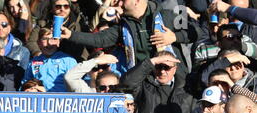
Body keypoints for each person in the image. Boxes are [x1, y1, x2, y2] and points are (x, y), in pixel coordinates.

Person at [59, 0, 200, 73]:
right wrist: (71, 34)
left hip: (170, 77)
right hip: (140, 79)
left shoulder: (167, 15)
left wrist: (174, 37)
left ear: (136, 1)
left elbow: (196, 32)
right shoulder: (123, 25)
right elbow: (100, 39)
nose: (119, 4)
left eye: (123, 0)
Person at [120, 50, 197, 113]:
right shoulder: (144, 85)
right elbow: (126, 83)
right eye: (158, 66)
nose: (162, 71)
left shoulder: (187, 88)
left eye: (167, 67)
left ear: (175, 69)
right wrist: (151, 62)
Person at [22, 27, 77, 92]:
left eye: (53, 39)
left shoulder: (68, 61)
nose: (49, 43)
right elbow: (25, 83)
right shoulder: (33, 62)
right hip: (40, 99)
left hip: (61, 100)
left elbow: (77, 86)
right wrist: (30, 89)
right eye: (45, 39)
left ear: (58, 42)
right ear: (38, 43)